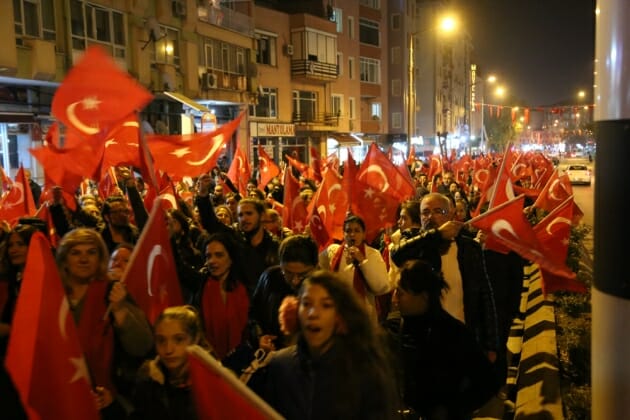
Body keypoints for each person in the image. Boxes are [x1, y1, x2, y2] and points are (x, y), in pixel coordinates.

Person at [257, 270, 399, 419]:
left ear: (340, 316)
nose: (313, 313)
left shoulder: (364, 369)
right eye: (306, 304)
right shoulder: (280, 365)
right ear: (294, 311)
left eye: (326, 305)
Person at [55, 228, 154, 417]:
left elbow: (142, 345)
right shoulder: (52, 294)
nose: (84, 259)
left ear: (100, 258)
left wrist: (118, 309)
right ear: (64, 259)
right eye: (76, 253)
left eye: (91, 252)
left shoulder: (112, 291)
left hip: (107, 399)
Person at [390, 193, 499, 360]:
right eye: (425, 212)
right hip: (425, 343)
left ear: (450, 214)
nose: (430, 216)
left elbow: (484, 294)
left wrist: (490, 344)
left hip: (464, 337)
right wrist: (437, 235)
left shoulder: (469, 248)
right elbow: (397, 255)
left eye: (437, 211)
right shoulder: (415, 243)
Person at [388, 259, 499, 419]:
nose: (394, 299)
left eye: (400, 293)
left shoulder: (453, 333)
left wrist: (450, 410)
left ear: (423, 296)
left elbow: (487, 382)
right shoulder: (393, 329)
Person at [131, 305, 215, 420]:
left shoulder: (213, 382)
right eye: (161, 340)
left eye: (179, 339)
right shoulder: (148, 380)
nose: (168, 349)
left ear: (195, 339)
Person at [249, 234, 319, 351]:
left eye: (302, 275)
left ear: (315, 267)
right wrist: (259, 336)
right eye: (288, 273)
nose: (295, 281)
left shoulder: (326, 288)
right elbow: (253, 314)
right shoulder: (270, 278)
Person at [319, 215, 390, 322]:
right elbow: (320, 270)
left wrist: (363, 261)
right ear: (343, 234)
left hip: (363, 316)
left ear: (363, 234)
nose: (352, 234)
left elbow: (381, 287)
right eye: (348, 231)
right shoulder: (333, 252)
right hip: (338, 314)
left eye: (357, 231)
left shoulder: (372, 254)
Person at [194, 232, 250, 360]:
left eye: (219, 255)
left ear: (231, 258)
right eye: (208, 256)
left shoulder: (244, 288)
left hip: (242, 361)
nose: (212, 261)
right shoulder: (201, 286)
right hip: (209, 360)